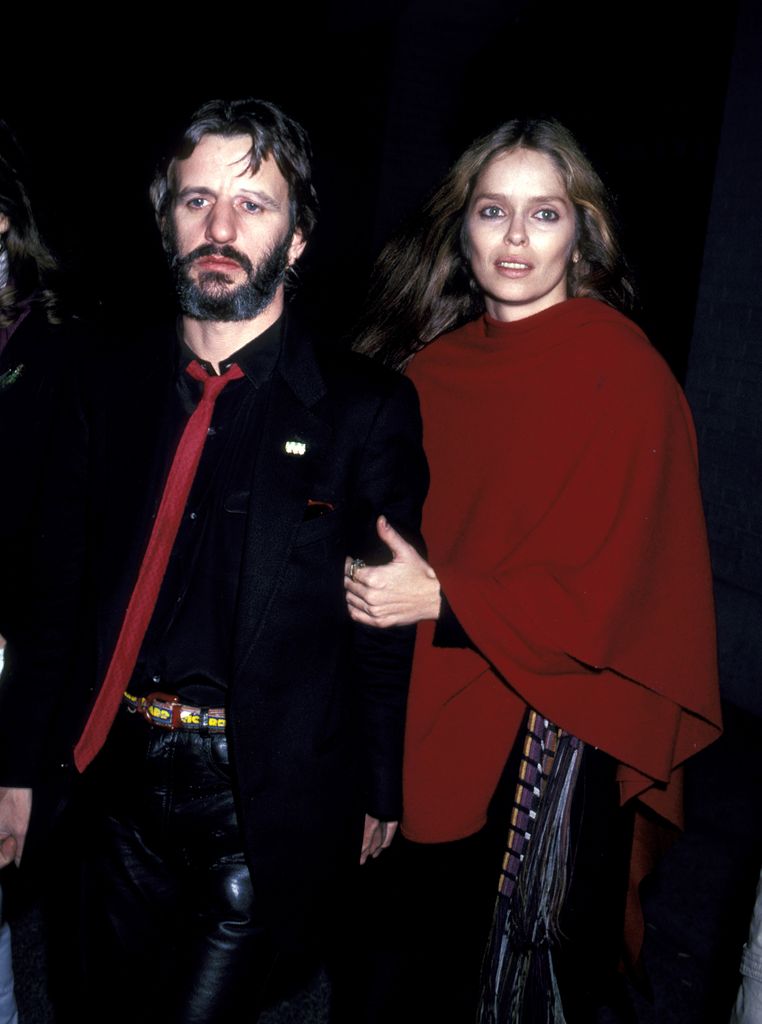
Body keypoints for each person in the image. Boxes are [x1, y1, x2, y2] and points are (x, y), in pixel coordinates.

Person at [0, 98, 427, 1024]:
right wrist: (19, 764)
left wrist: (380, 784)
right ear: (165, 222)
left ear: (299, 237)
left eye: (254, 204)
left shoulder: (365, 410)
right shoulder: (103, 382)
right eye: (196, 202)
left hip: (256, 791)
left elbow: (381, 615)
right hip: (109, 776)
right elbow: (56, 590)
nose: (221, 229)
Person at [346, 117, 722, 1022]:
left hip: (548, 734)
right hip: (414, 709)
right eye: (493, 211)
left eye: (544, 213)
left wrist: (443, 594)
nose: (515, 238)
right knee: (389, 977)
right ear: (460, 230)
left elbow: (625, 595)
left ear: (582, 234)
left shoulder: (624, 374)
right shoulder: (425, 373)